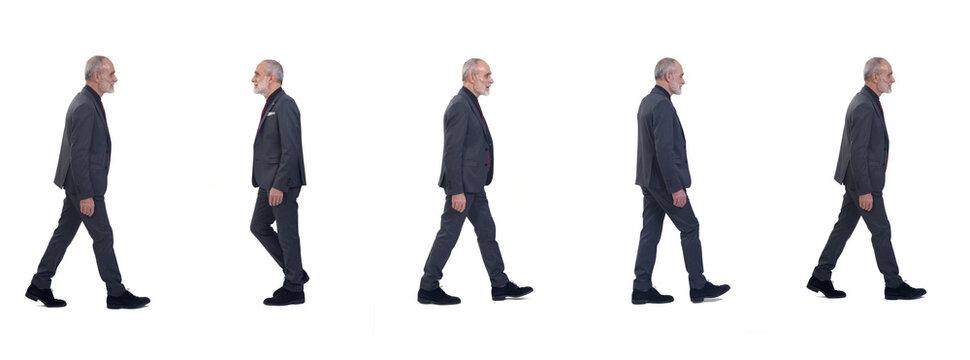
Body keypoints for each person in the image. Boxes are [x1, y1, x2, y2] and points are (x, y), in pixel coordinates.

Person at [26, 56, 150, 309]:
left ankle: (40, 283)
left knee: (64, 233)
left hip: (78, 184)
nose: (115, 79)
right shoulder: (84, 105)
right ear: (97, 76)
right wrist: (86, 195)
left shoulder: (87, 101)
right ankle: (116, 293)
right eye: (111, 74)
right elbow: (79, 153)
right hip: (85, 187)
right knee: (103, 236)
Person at [807, 57, 926, 300]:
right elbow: (858, 150)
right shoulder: (863, 105)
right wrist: (864, 190)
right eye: (889, 75)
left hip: (858, 180)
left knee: (843, 228)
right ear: (875, 77)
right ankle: (893, 284)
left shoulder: (866, 101)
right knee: (881, 230)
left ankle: (820, 275)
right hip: (863, 183)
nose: (893, 79)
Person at [417, 58, 532, 305]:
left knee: (487, 232)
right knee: (448, 235)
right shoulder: (460, 105)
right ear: (472, 77)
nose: (491, 80)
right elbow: (452, 152)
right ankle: (428, 286)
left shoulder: (470, 103)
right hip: (463, 188)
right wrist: (456, 191)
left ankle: (499, 284)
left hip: (475, 186)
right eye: (486, 75)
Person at [632, 58, 730, 304]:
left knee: (650, 233)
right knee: (690, 227)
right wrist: (676, 187)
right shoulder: (662, 105)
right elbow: (664, 150)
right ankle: (698, 286)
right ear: (668, 77)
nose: (683, 80)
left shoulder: (646, 102)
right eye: (681, 75)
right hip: (664, 182)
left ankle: (641, 287)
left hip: (648, 180)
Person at [250, 59, 309, 306]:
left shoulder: (285, 105)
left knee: (287, 235)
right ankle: (295, 271)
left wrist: (279, 185)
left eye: (257, 74)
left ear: (271, 78)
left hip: (280, 183)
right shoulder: (271, 104)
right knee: (258, 226)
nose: (253, 79)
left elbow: (291, 148)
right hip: (267, 182)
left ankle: (294, 289)